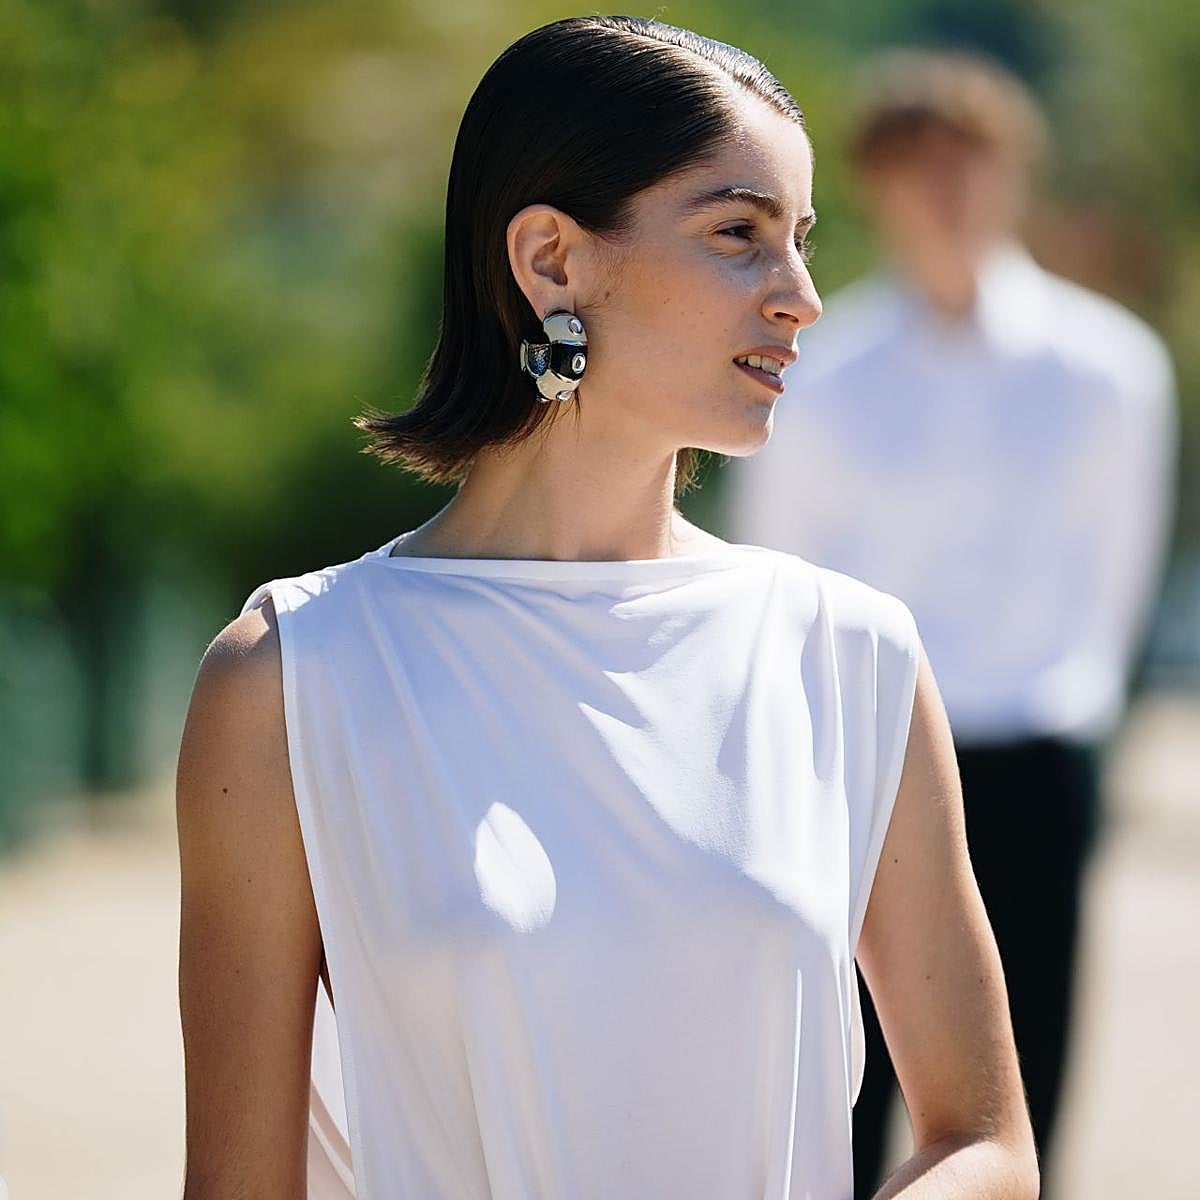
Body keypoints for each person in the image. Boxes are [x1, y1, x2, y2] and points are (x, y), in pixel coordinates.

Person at [175, 17, 1039, 1199]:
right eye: (739, 234)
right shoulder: (290, 674)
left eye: (804, 241)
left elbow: (983, 1140)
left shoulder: (847, 653)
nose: (803, 299)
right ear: (552, 261)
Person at [721, 46, 1178, 1200]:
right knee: (842, 1076)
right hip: (861, 758)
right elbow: (774, 569)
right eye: (916, 168)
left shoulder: (1111, 369)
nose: (945, 193)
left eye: (968, 164)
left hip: (1034, 751)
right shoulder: (815, 369)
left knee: (1026, 1079)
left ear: (1013, 173)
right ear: (875, 188)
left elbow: (1115, 576)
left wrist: (1079, 726)